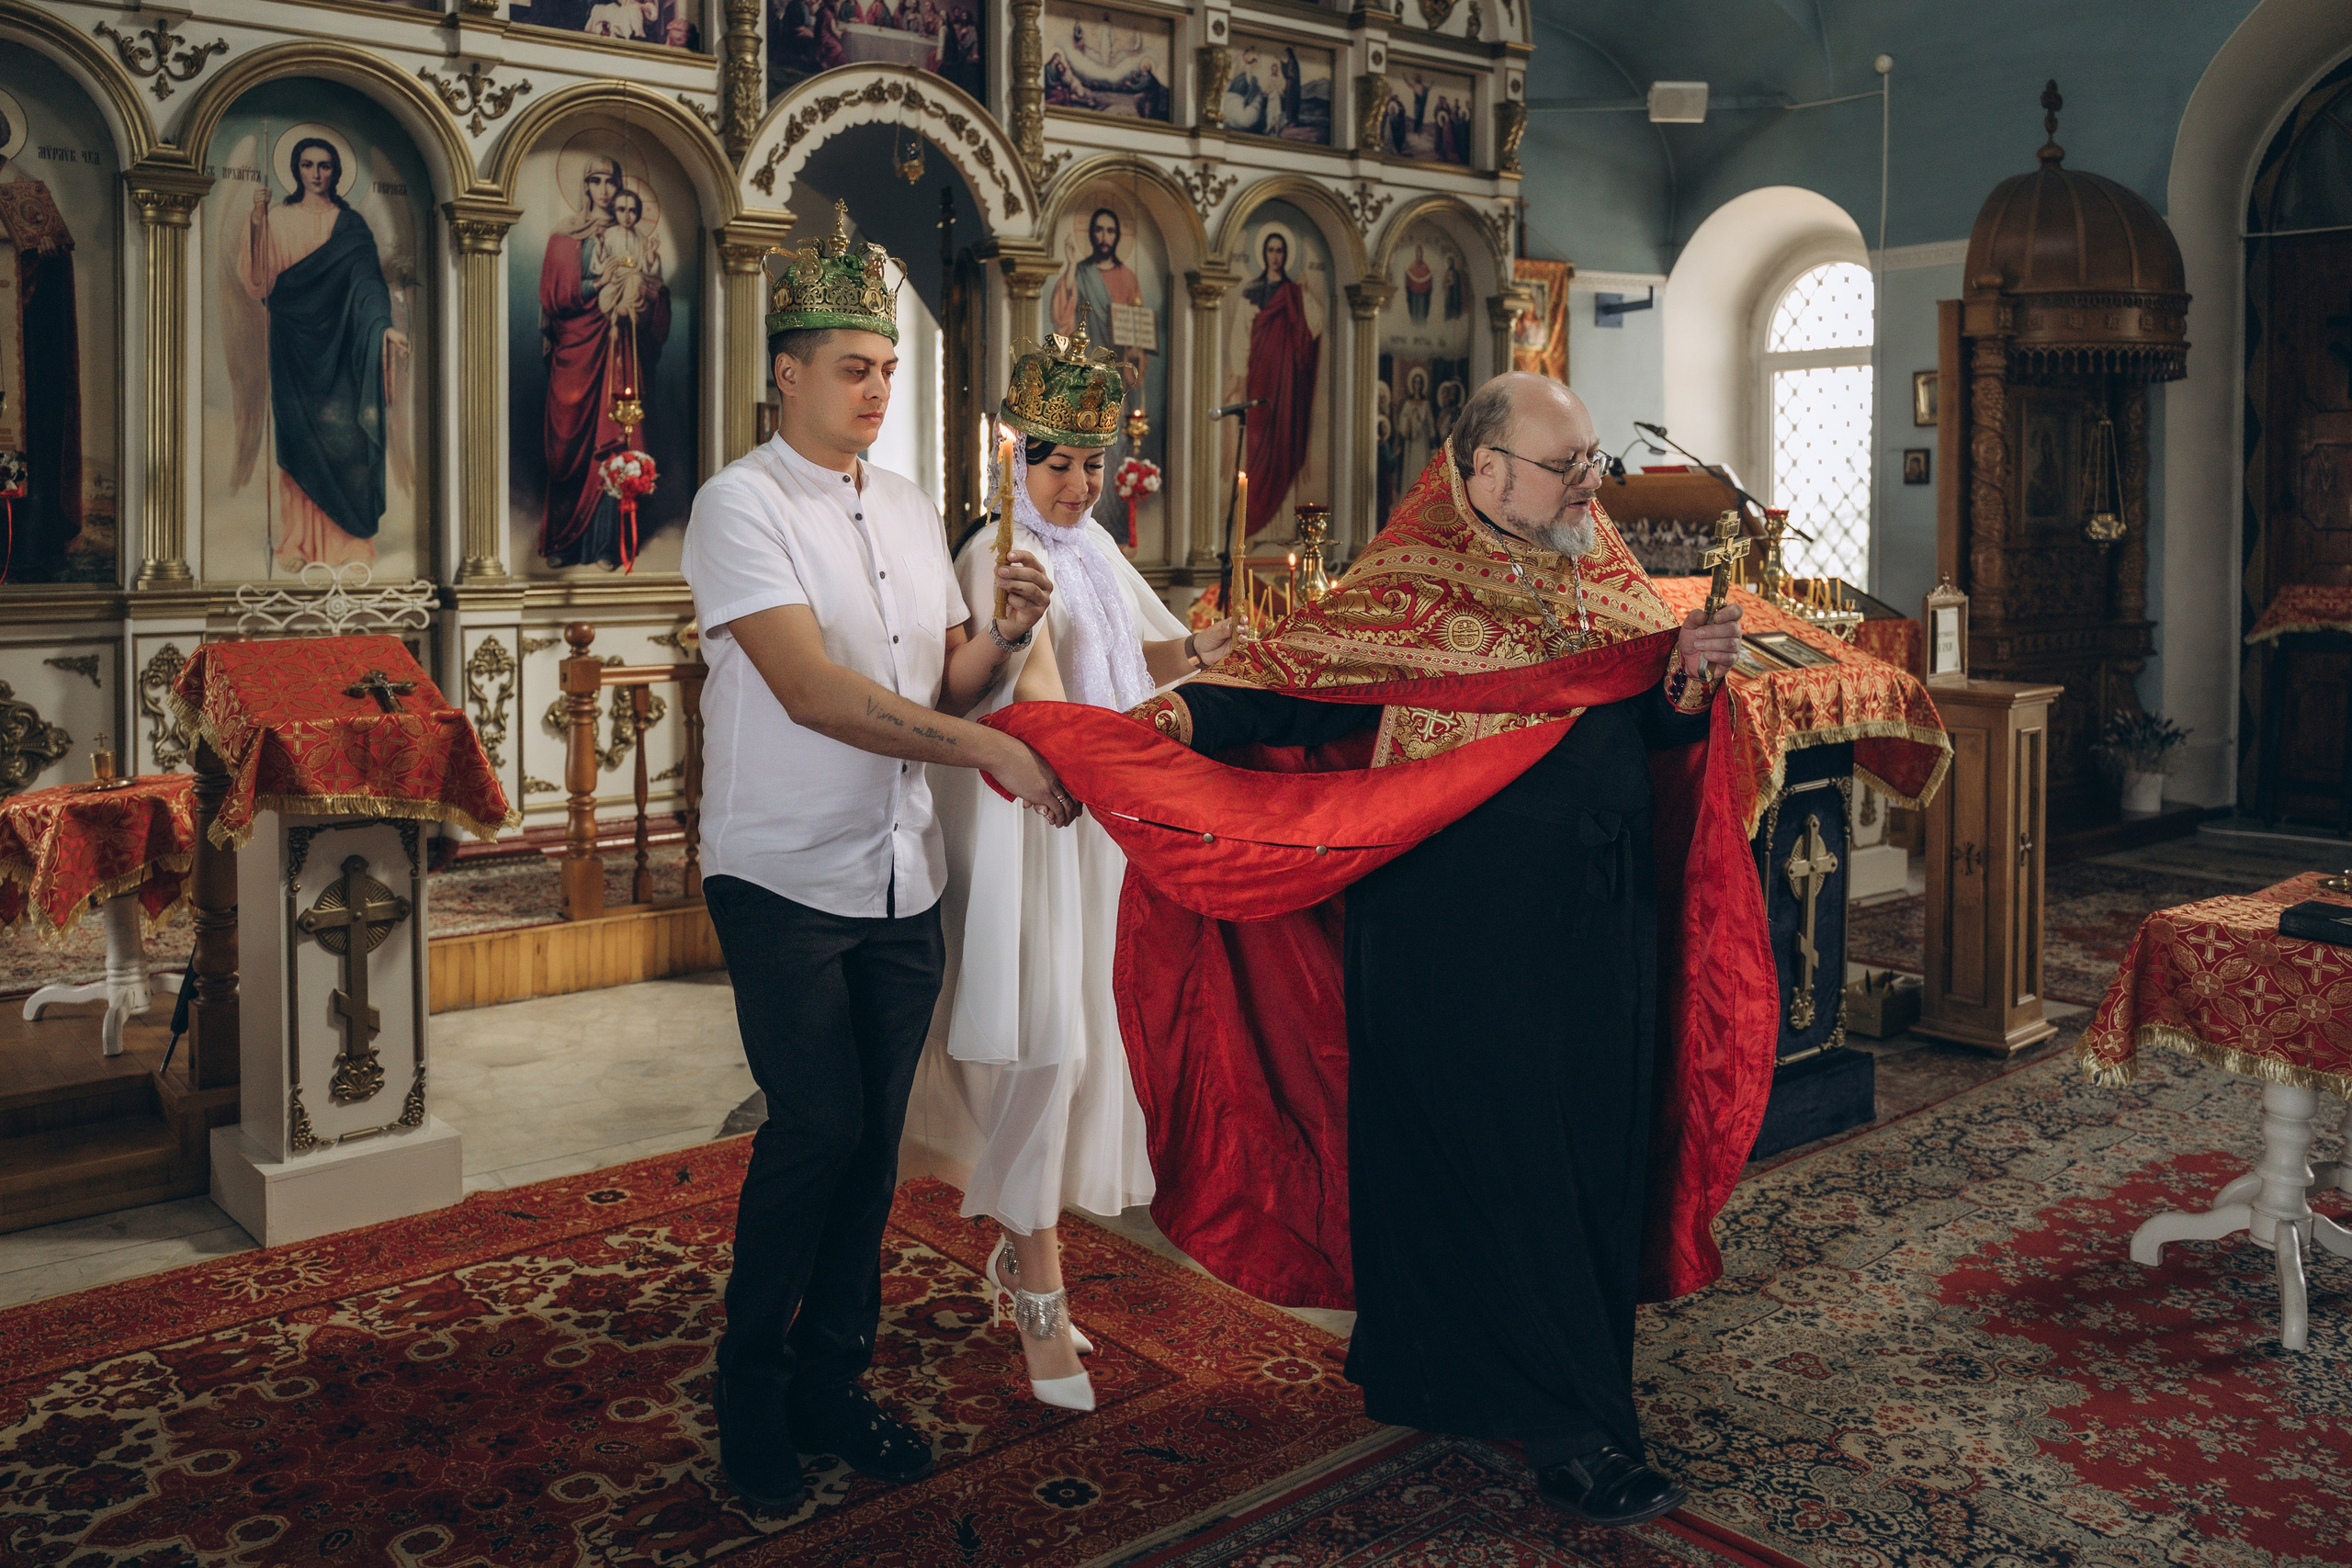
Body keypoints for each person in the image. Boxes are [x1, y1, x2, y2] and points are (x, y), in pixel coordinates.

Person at [986, 374, 1824, 1530]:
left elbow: (1649, 722)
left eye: (1592, 462)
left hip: (1598, 929)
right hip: (1453, 948)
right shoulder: (1404, 589)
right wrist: (1159, 728)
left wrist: (1685, 685)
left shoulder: (1606, 573)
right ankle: (1577, 1431)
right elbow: (1284, 695)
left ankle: (1442, 1371)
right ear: (1483, 474)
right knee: (1508, 1166)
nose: (1592, 485)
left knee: (1591, 1157)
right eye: (1565, 464)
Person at [679, 202, 1076, 1515]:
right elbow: (812, 691)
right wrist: (991, 752)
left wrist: (1005, 641)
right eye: (854, 366)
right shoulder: (737, 507)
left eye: (890, 368)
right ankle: (750, 1393)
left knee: (875, 1142)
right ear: (787, 370)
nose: (877, 388)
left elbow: (943, 675)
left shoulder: (906, 505)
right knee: (818, 1125)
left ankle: (833, 1379)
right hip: (783, 868)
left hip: (900, 867)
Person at [906, 327, 1234, 1413]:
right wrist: (1149, 726)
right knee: (1041, 1049)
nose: (1078, 483)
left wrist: (1204, 655)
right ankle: (1036, 1289)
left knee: (1091, 1051)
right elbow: (1047, 704)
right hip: (1030, 835)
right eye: (1056, 462)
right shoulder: (999, 555)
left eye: (1093, 462)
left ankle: (1022, 1254)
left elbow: (1130, 656)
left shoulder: (1091, 547)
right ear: (1015, 459)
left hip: (1100, 832)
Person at [235, 135, 409, 570]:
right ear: (296, 170)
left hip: (347, 347)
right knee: (298, 438)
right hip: (293, 344)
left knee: (347, 439)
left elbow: (369, 286)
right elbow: (260, 284)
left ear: (336, 172)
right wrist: (256, 222)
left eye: (325, 165)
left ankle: (351, 541)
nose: (316, 173)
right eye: (308, 165)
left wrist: (383, 328)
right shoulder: (277, 218)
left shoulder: (351, 227)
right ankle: (296, 541)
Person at [538, 153, 671, 570]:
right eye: (595, 181)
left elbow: (655, 293)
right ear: (585, 187)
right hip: (577, 351)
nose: (603, 190)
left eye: (610, 182)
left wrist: (647, 295)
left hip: (620, 350)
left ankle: (612, 546)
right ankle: (565, 541)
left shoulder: (629, 235)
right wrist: (599, 281)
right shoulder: (566, 237)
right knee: (567, 448)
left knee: (618, 434)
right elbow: (555, 296)